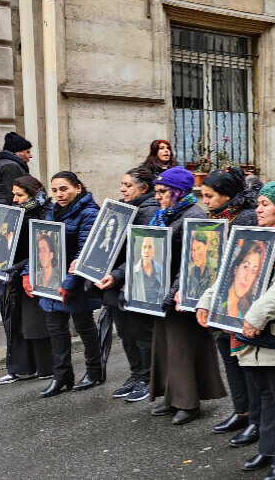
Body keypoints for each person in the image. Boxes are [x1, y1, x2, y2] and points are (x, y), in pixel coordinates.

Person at [199, 181, 275, 480]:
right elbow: (229, 273)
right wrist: (208, 303)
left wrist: (252, 318)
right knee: (264, 394)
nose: (258, 209)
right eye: (259, 203)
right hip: (248, 329)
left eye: (265, 204)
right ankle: (268, 449)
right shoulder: (255, 238)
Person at [148, 166, 226, 425]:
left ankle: (188, 402)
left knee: (183, 347)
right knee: (166, 347)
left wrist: (172, 295)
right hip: (163, 290)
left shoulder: (194, 217)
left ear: (178, 192)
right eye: (156, 191)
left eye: (162, 191)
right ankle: (171, 397)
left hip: (184, 295)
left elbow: (192, 263)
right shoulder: (164, 215)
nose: (157, 196)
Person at [20, 171, 102, 398]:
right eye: (55, 190)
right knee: (56, 329)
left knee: (85, 326)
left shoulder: (89, 213)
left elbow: (84, 252)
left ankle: (94, 370)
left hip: (75, 283)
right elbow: (38, 245)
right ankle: (62, 376)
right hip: (50, 281)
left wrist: (68, 284)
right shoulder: (52, 212)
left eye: (64, 189)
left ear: (77, 187)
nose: (59, 194)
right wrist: (28, 274)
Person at [198, 167, 260, 438]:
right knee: (230, 359)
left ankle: (256, 420)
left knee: (245, 362)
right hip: (221, 298)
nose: (205, 202)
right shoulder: (217, 216)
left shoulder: (245, 217)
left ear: (226, 195)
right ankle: (241, 411)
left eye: (209, 196)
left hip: (241, 301)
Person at [93, 166, 159, 403]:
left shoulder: (148, 211)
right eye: (122, 184)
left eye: (128, 185)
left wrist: (117, 275)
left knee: (141, 333)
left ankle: (148, 379)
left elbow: (141, 253)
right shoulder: (123, 209)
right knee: (126, 334)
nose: (122, 189)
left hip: (135, 283)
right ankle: (136, 374)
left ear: (144, 188)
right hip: (115, 283)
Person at [0, 175, 53, 385]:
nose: (16, 199)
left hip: (33, 274)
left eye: (20, 195)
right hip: (13, 276)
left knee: (34, 323)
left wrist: (20, 268)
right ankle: (20, 368)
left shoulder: (46, 213)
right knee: (15, 322)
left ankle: (44, 367)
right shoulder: (14, 214)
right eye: (14, 195)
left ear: (33, 194)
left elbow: (44, 248)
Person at [0, 132, 32, 232]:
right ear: (18, 153)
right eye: (28, 152)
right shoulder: (12, 167)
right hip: (6, 220)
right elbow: (13, 197)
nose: (30, 156)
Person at [222, 240, 266, 319]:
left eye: (253, 271)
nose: (247, 277)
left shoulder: (247, 312)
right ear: (236, 269)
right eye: (246, 267)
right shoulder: (218, 300)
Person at [132, 237, 164, 304]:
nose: (146, 251)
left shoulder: (162, 272)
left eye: (150, 247)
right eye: (144, 247)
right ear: (141, 251)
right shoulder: (133, 273)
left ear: (153, 251)